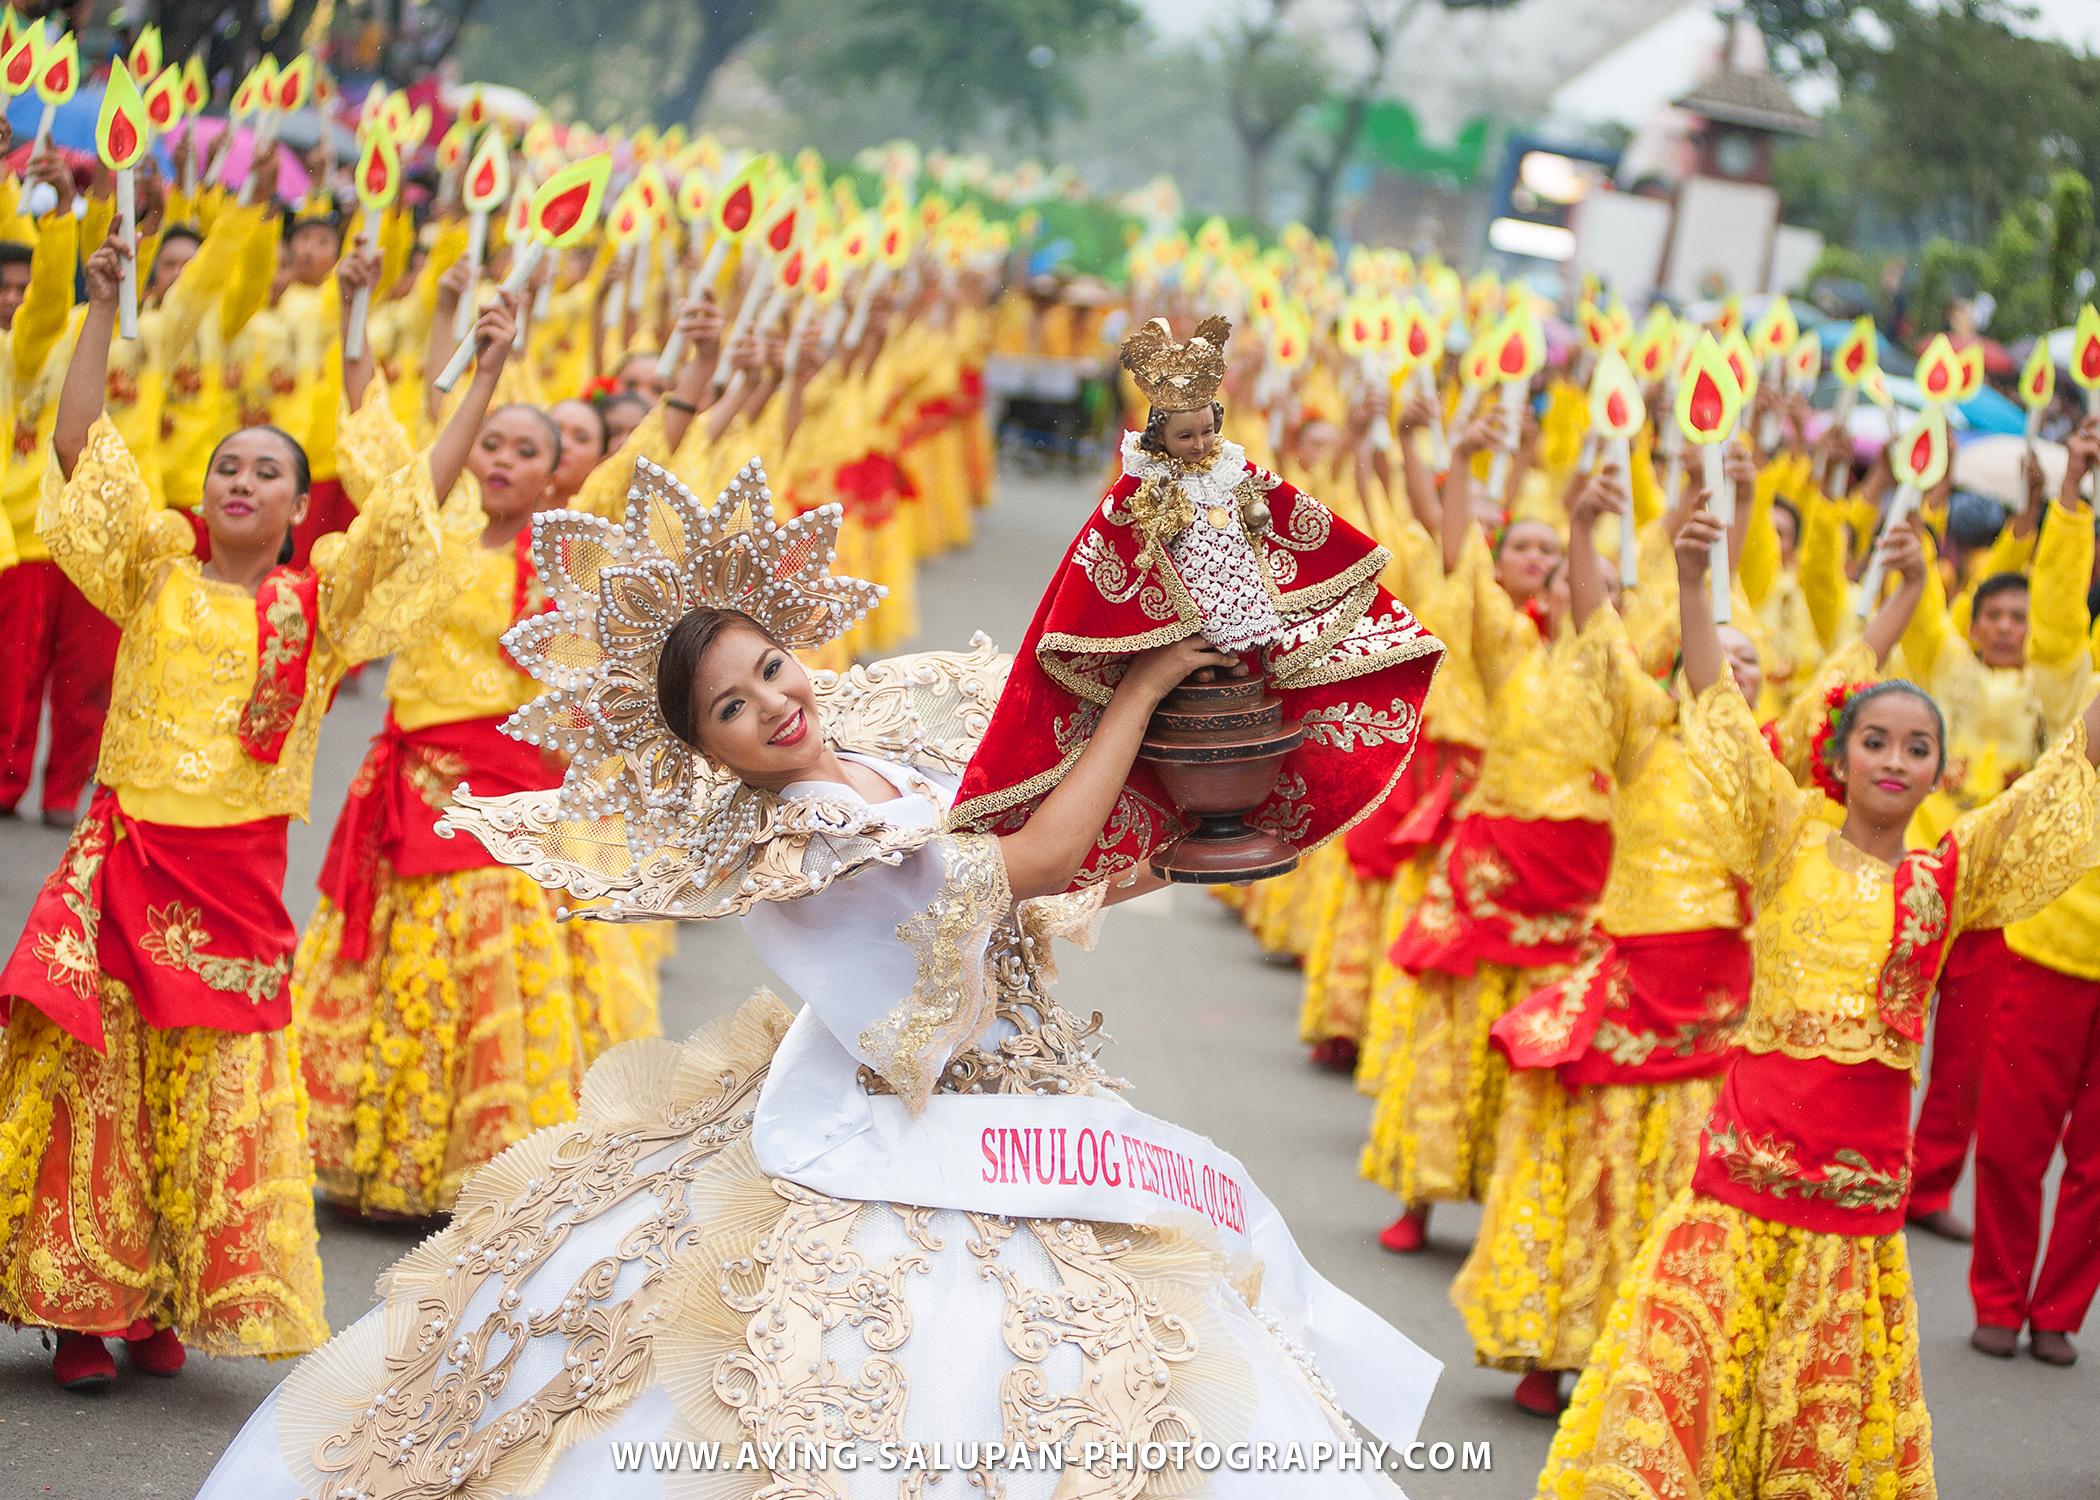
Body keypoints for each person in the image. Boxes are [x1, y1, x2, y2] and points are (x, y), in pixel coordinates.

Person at [194, 455, 1441, 1500]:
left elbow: (1061, 868)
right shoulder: (805, 837)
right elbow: (1042, 851)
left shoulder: (873, 749)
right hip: (907, 1118)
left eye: (771, 671)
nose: (773, 709)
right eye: (731, 711)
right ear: (706, 751)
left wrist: (1192, 825)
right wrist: (1151, 683)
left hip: (1012, 1092)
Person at [0, 230, 507, 1390]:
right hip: (124, 857)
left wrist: (478, 375)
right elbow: (81, 446)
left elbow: (412, 512)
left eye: (264, 472)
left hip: (233, 888)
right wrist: (102, 305)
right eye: (225, 467)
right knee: (105, 1081)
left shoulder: (319, 609)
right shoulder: (153, 573)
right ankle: (84, 1311)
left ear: (293, 503)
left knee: (213, 1094)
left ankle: (167, 1295)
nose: (238, 481)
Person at [1534, 497, 2100, 1500]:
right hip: (1742, 1180)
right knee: (1686, 1391)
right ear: (1838, 760)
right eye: (1874, 741)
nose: (1892, 759)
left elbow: (2066, 775)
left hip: (1854, 1208)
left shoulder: (1948, 878)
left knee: (1816, 1425)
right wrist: (1698, 577)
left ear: (1936, 772)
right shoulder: (1784, 838)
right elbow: (1715, 704)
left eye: (1915, 747)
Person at [290, 273, 729, 1219]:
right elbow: (370, 426)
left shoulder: (563, 548)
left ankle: (475, 1164)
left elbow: (646, 455)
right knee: (397, 957)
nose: (501, 460)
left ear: (550, 476)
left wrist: (694, 364)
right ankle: (378, 1153)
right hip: (411, 780)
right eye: (489, 443)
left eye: (526, 450)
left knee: (487, 954)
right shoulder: (433, 528)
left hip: (510, 790)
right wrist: (363, 312)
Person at [950, 314, 1445, 891]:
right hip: (1175, 605)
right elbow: (1114, 553)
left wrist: (1261, 525)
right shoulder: (1144, 483)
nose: (1201, 445)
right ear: (1160, 436)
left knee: (1248, 670)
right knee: (1184, 682)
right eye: (1187, 437)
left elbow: (1277, 512)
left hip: (1238, 586)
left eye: (1208, 432)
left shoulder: (1232, 470)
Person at [1965, 434, 2100, 1367]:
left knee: (2097, 1163)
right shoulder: (2075, 675)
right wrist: (2073, 496)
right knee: (2014, 1142)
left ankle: (2057, 1312)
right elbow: (2054, 624)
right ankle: (1999, 1298)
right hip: (2051, 939)